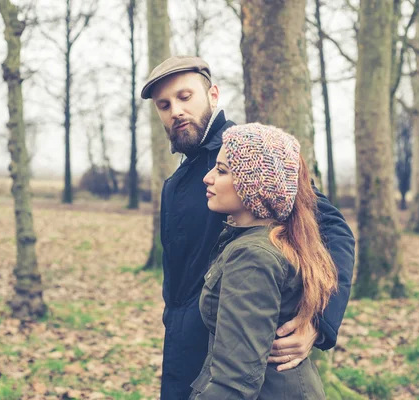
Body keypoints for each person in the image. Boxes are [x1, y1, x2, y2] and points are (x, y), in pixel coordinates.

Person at [141, 56, 355, 400]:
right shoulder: (176, 180)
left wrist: (318, 322)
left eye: (185, 97)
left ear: (212, 95)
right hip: (185, 349)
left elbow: (331, 229)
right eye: (164, 105)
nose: (175, 111)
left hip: (237, 348)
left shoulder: (250, 155)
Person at [189, 122, 336, 399]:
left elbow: (234, 382)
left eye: (221, 170)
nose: (208, 178)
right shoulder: (269, 240)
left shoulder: (253, 257)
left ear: (253, 186)